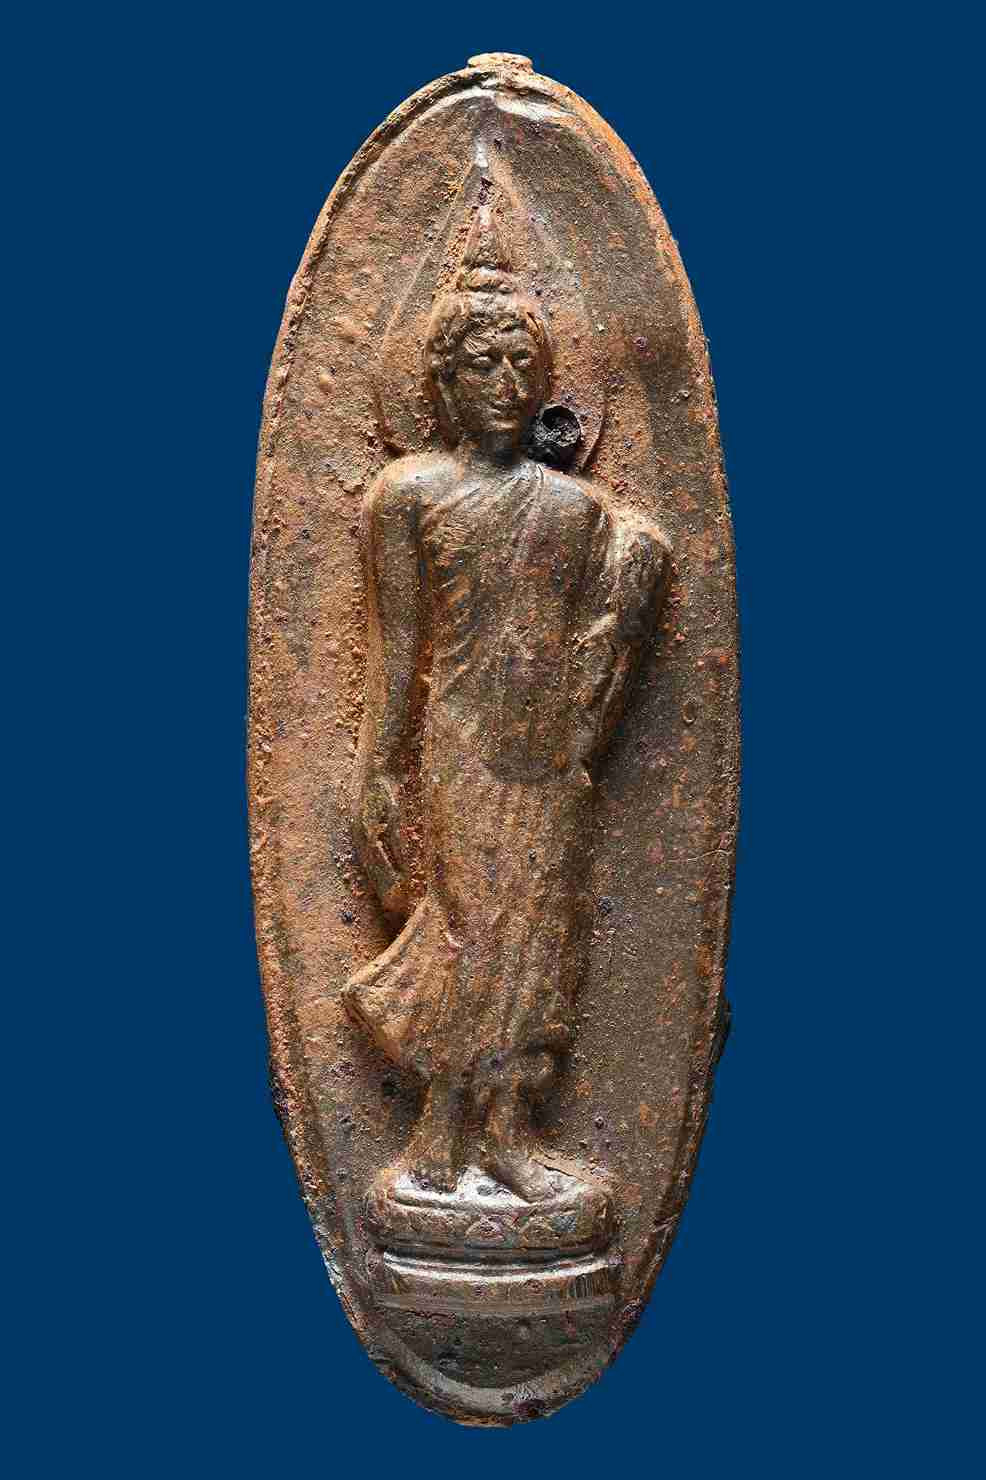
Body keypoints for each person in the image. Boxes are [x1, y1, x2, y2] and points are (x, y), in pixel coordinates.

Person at [344, 204, 669, 1204]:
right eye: (478, 365)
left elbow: (596, 642)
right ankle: (443, 1132)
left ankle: (504, 1130)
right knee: (472, 930)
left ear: (541, 382)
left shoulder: (576, 510)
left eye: (518, 365)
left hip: (547, 759)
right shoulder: (407, 495)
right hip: (463, 748)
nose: (500, 383)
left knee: (544, 933)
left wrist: (628, 600)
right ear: (439, 384)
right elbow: (397, 651)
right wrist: (376, 769)